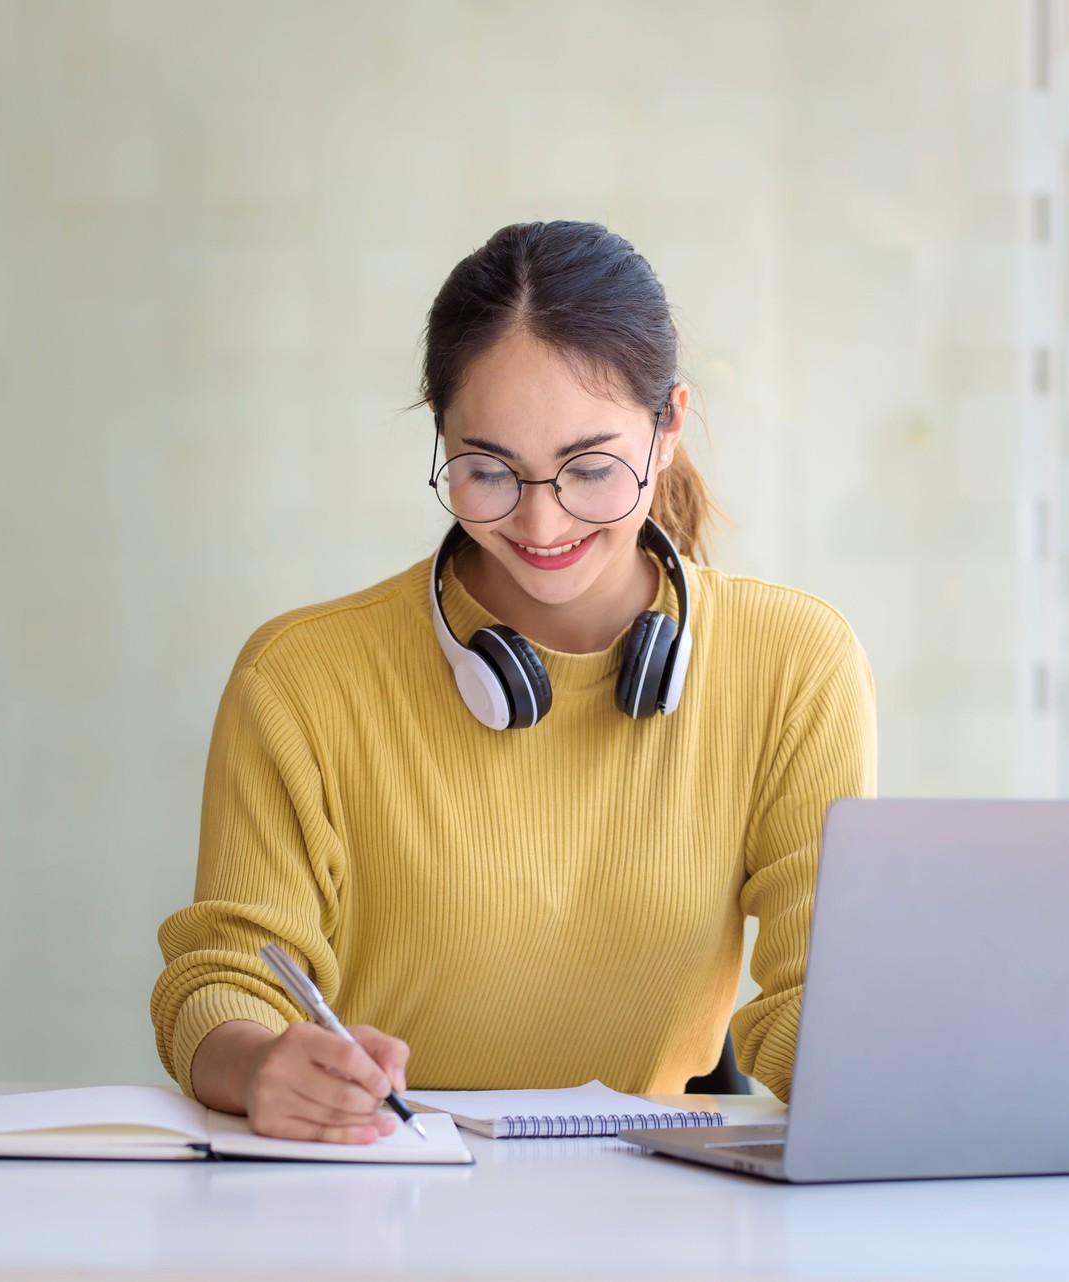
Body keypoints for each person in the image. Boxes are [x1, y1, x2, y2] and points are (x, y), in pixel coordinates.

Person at [150, 220, 876, 1144]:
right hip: (381, 1181)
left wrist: (912, 1075)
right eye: (488, 469)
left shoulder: (794, 663)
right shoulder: (300, 679)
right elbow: (222, 975)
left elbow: (817, 1000)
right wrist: (259, 1066)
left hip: (659, 1208)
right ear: (441, 437)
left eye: (592, 467)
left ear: (670, 425)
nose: (541, 522)